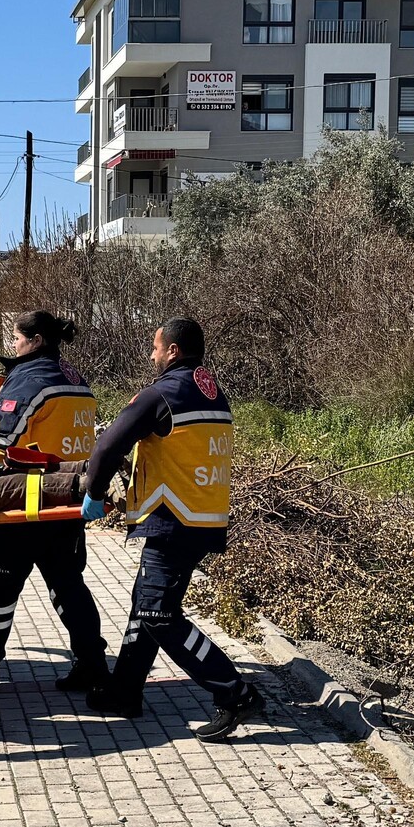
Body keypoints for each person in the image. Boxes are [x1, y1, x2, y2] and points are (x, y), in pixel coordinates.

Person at [82, 316, 266, 742]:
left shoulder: (162, 393)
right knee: (146, 604)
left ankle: (235, 693)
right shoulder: (213, 392)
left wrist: (93, 490)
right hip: (202, 517)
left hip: (172, 518)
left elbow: (109, 442)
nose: (152, 355)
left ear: (174, 351)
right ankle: (124, 692)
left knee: (157, 612)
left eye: (156, 347)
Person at [0, 309, 108, 694]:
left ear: (34, 340)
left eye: (16, 338)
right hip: (67, 501)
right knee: (68, 586)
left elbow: (0, 444)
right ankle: (92, 664)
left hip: (26, 502)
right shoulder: (75, 378)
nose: (13, 345)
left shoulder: (29, 380)